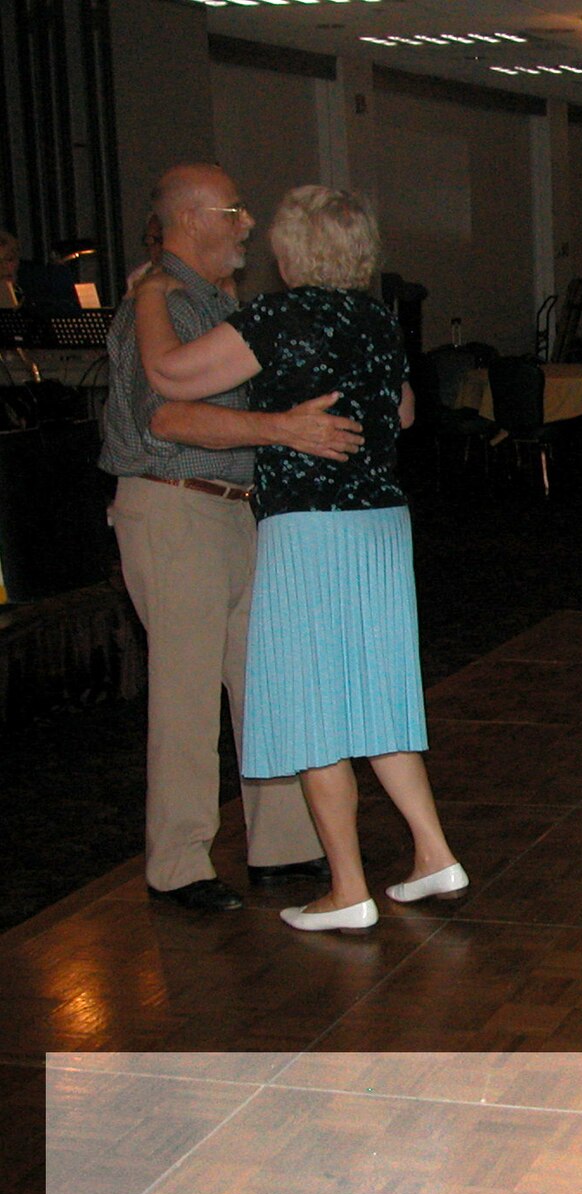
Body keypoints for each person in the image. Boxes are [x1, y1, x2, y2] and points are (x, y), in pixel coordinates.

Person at [133, 185, 462, 934]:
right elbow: (404, 410)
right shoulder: (377, 318)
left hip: (310, 528)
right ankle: (433, 851)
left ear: (292, 253)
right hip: (381, 524)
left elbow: (170, 376)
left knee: (314, 702)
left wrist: (152, 294)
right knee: (378, 698)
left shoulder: (279, 318)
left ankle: (348, 888)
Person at [98, 163, 361, 914]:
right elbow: (169, 419)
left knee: (261, 683)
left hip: (230, 506)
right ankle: (177, 864)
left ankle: (280, 844)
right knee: (184, 694)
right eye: (234, 211)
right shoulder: (162, 302)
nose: (248, 225)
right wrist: (282, 429)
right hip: (174, 507)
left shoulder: (207, 299)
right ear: (190, 218)